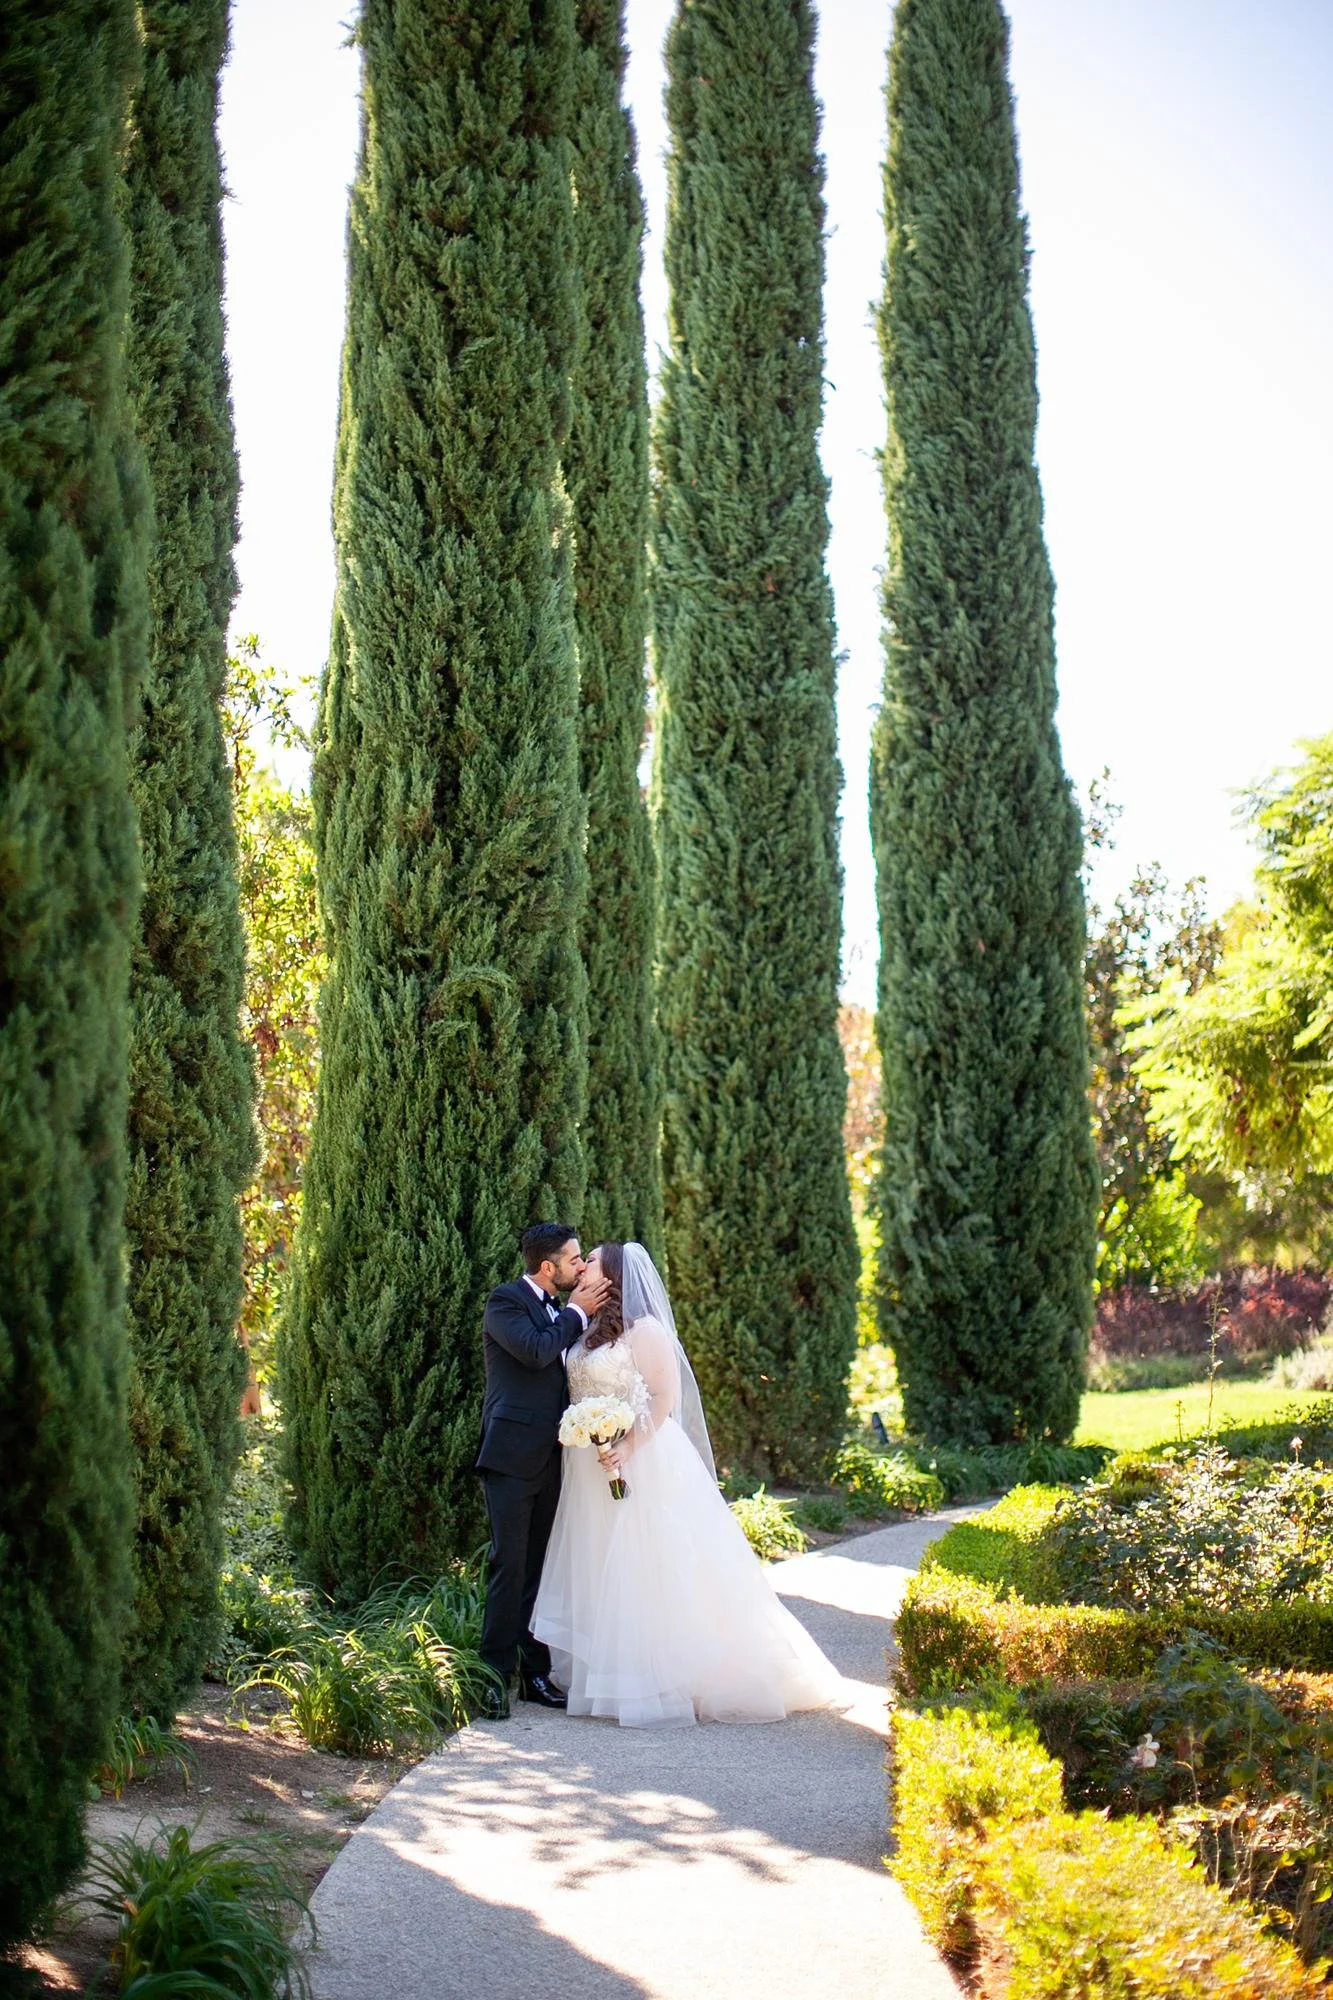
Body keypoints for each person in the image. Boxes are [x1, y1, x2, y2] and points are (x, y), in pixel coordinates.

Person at [532, 1241, 843, 1726]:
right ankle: (612, 1675)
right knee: (600, 1562)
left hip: (642, 1457)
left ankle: (670, 1676)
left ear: (612, 1274)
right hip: (589, 1466)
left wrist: (628, 1446)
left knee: (652, 1563)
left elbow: (662, 1395)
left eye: (591, 1259)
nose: (583, 1265)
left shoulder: (645, 1330)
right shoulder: (584, 1326)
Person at [475, 1221, 609, 1721]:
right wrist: (576, 1313)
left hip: (558, 1457)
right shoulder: (505, 1302)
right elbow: (534, 1351)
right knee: (509, 1567)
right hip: (510, 1456)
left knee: (540, 1570)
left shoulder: (569, 1312)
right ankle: (491, 1677)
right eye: (574, 1260)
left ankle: (535, 1675)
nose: (580, 1266)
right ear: (547, 1266)